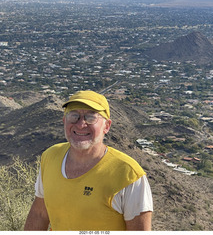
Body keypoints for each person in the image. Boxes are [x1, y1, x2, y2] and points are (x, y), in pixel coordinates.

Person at [24, 90, 153, 231]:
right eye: (74, 116)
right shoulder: (50, 157)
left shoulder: (129, 174)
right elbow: (40, 214)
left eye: (91, 118)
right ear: (64, 121)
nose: (80, 124)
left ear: (107, 126)